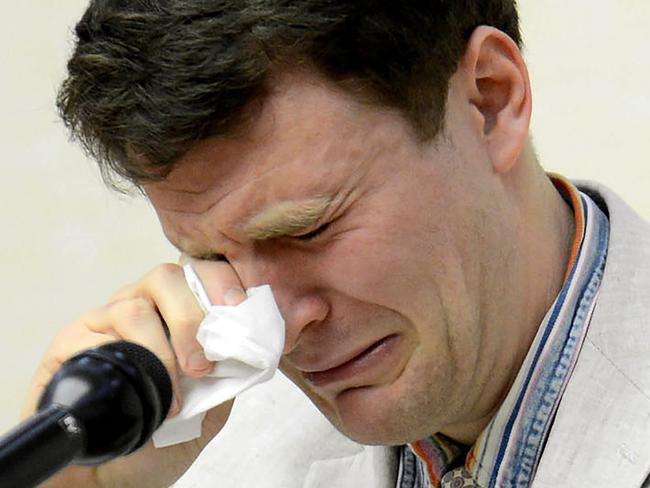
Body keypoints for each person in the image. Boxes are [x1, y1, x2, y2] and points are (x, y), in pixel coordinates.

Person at [23, 1, 650, 487]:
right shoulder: (200, 454)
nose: (283, 331)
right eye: (213, 258)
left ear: (489, 100)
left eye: (309, 230)